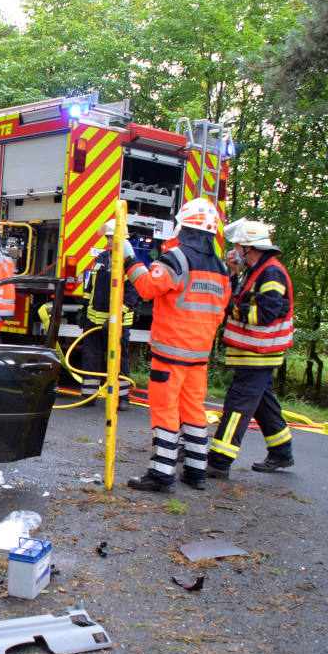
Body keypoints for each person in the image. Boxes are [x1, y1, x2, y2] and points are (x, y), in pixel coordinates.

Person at [124, 197, 231, 493]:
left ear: (183, 227)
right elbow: (219, 310)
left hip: (170, 354)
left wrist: (129, 260)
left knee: (165, 411)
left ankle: (161, 474)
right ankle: (196, 472)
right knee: (194, 411)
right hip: (198, 355)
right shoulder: (221, 268)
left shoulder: (177, 258)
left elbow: (146, 288)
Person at [206, 219, 295, 477]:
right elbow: (235, 295)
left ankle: (219, 461)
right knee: (262, 403)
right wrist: (232, 274)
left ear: (249, 248)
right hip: (252, 353)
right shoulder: (255, 271)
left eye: (238, 247)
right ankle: (281, 452)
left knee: (237, 405)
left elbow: (266, 313)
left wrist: (233, 309)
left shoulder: (271, 273)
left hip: (259, 354)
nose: (235, 251)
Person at [81, 218, 140, 408]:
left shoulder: (129, 262)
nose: (107, 242)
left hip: (118, 323)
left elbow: (131, 295)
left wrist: (117, 317)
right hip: (94, 319)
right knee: (90, 355)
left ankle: (122, 398)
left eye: (111, 238)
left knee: (118, 359)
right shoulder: (102, 258)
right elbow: (91, 287)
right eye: (107, 238)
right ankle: (89, 395)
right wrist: (83, 308)